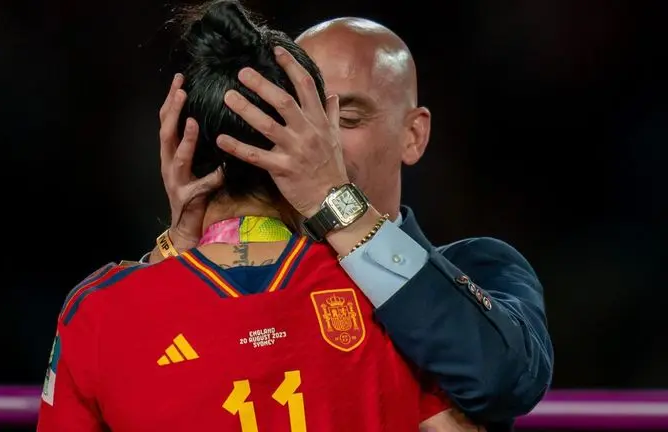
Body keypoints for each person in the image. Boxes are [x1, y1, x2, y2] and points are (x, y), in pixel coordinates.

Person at [38, 1, 480, 430]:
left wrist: (171, 248)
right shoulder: (391, 298)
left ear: (181, 148)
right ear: (314, 142)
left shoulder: (96, 313)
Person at [150, 13, 553, 430]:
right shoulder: (234, 276)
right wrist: (181, 242)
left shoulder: (482, 265)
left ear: (413, 135)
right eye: (302, 116)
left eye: (347, 120)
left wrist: (334, 202)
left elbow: (507, 380)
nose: (321, 140)